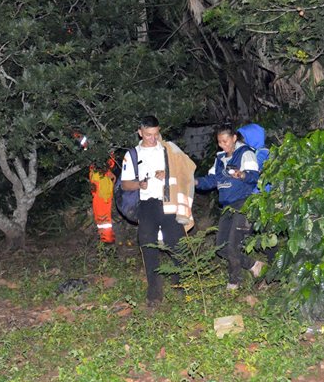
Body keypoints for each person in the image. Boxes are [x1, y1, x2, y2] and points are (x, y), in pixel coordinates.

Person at [120, 115, 195, 308]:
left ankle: (182, 286)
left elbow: (189, 168)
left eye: (155, 134)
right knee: (148, 245)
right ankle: (154, 293)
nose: (152, 139)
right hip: (146, 205)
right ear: (140, 132)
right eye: (148, 135)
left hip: (168, 202)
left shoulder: (169, 149)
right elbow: (126, 184)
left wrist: (168, 173)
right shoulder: (132, 155)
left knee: (176, 244)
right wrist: (140, 184)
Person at [195, 124, 263, 290]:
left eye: (225, 141)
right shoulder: (219, 159)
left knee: (233, 245)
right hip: (227, 206)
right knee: (221, 247)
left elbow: (255, 176)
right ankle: (254, 265)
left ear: (234, 138)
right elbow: (211, 180)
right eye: (219, 142)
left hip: (244, 203)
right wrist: (194, 182)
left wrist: (242, 174)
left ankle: (234, 282)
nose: (222, 145)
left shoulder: (245, 153)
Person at [89, 154, 116, 244]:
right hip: (101, 198)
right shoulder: (97, 173)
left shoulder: (101, 173)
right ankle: (106, 241)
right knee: (103, 222)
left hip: (103, 198)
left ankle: (106, 241)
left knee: (104, 222)